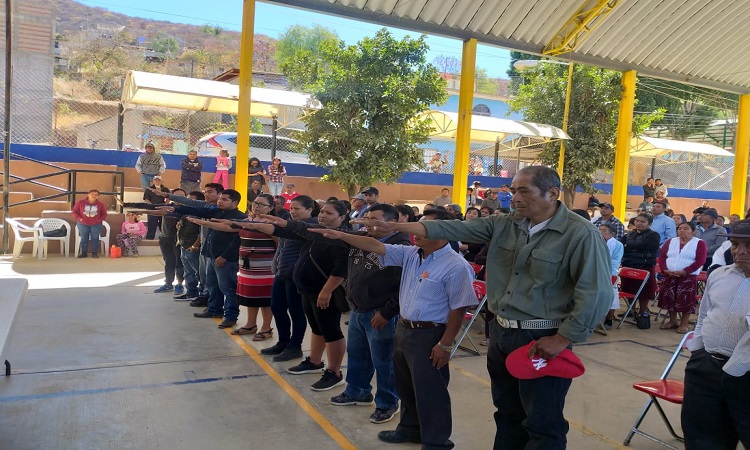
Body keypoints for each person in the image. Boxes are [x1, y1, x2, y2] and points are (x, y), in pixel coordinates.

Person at [350, 166, 612, 449]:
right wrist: (397, 227)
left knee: (542, 422)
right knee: (507, 412)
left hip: (542, 337)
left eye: (524, 191)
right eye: (514, 191)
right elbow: (453, 228)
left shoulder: (580, 233)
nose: (515, 198)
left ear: (552, 193)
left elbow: (596, 292)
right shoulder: (505, 224)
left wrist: (562, 339)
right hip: (501, 333)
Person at [313, 208, 476, 447]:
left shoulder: (456, 266)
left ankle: (436, 442)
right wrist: (342, 235)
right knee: (406, 385)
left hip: (430, 334)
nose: (416, 232)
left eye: (423, 228)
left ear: (444, 231)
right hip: (404, 328)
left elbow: (458, 309)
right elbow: (376, 246)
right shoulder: (411, 254)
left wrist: (445, 344)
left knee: (430, 391)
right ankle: (409, 429)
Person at [241, 201, 350, 391]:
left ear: (342, 217)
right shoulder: (315, 231)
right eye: (322, 212)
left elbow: (341, 268)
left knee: (331, 330)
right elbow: (285, 231)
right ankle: (314, 361)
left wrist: (326, 291)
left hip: (324, 291)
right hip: (308, 289)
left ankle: (334, 372)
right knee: (317, 327)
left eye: (329, 213)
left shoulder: (341, 238)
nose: (323, 215)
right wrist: (254, 224)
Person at [681, 219, 750, 450]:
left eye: (749, 246)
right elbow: (704, 315)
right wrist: (698, 350)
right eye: (736, 244)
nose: (740, 251)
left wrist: (733, 370)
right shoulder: (719, 275)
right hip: (705, 368)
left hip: (744, 375)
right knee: (701, 436)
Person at [193, 194, 278, 339]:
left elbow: (279, 244)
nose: (256, 206)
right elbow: (227, 228)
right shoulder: (248, 220)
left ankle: (266, 328)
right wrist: (205, 223)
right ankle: (250, 324)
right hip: (247, 267)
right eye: (255, 203)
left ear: (270, 208)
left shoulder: (272, 223)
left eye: (261, 204)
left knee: (265, 298)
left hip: (265, 268)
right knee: (250, 296)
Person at [259, 195, 319, 362]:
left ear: (309, 209)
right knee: (277, 308)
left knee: (296, 311)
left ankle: (295, 346)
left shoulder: (311, 226)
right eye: (291, 208)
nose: (292, 211)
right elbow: (281, 248)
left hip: (296, 276)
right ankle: (283, 341)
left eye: (297, 209)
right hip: (281, 273)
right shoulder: (288, 223)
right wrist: (276, 266)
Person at [179, 190, 247, 328]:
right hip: (211, 255)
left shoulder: (240, 218)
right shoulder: (216, 212)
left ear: (235, 202)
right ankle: (214, 309)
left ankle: (231, 316)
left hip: (226, 259)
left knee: (227, 288)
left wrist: (224, 256)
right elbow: (195, 209)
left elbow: (237, 241)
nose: (220, 201)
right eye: (220, 198)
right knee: (212, 284)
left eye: (225, 199)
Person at [657, 221, 707, 334]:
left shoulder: (699, 243)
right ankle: (672, 321)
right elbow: (662, 257)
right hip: (670, 275)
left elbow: (700, 260)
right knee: (670, 298)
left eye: (686, 229)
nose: (682, 231)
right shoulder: (670, 241)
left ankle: (684, 324)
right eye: (679, 229)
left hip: (688, 276)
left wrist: (684, 271)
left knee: (686, 300)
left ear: (693, 231)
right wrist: (665, 269)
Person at [620, 212, 661, 320]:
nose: (639, 223)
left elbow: (649, 247)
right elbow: (622, 247)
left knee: (644, 291)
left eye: (643, 221)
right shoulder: (628, 234)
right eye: (637, 221)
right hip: (629, 264)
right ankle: (631, 310)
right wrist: (633, 249)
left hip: (645, 265)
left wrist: (630, 248)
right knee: (629, 289)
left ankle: (643, 311)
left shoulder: (653, 235)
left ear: (649, 224)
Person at [599, 223, 624, 329]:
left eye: (604, 230)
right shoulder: (595, 242)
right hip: (595, 272)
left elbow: (615, 262)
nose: (601, 232)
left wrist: (602, 268)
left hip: (609, 273)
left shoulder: (618, 245)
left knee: (612, 296)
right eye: (599, 230)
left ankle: (609, 319)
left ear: (612, 234)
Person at [72, 189, 108, 258]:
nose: (94, 196)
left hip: (96, 224)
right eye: (92, 194)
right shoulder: (80, 203)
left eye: (96, 195)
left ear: (98, 197)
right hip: (83, 224)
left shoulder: (100, 204)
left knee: (95, 238)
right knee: (84, 238)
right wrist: (79, 218)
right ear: (88, 195)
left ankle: (94, 253)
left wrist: (100, 220)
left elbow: (104, 214)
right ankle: (84, 253)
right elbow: (74, 211)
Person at [143, 176, 170, 240]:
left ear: (161, 181)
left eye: (159, 180)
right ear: (153, 181)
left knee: (163, 225)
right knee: (151, 225)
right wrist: (152, 206)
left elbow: (169, 198)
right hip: (152, 210)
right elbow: (146, 199)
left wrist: (165, 205)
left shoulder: (165, 189)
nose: (157, 181)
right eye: (155, 180)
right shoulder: (149, 189)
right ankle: (149, 239)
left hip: (162, 210)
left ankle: (164, 239)